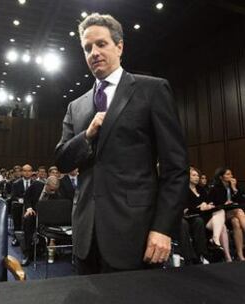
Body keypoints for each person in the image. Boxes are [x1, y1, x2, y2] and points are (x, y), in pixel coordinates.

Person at [55, 13, 188, 274]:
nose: (94, 52)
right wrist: (87, 135)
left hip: (135, 234)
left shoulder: (152, 90)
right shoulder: (76, 106)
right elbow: (62, 161)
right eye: (87, 48)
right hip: (85, 235)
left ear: (119, 46)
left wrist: (162, 228)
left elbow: (176, 168)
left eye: (101, 44)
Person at [21, 176, 62, 265]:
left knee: (55, 224)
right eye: (51, 190)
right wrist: (29, 208)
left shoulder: (56, 194)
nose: (53, 192)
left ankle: (49, 247)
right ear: (46, 185)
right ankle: (27, 253)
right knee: (28, 220)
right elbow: (26, 197)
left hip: (47, 216)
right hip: (33, 212)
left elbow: (55, 211)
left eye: (55, 190)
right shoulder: (36, 185)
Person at [208, 167, 244, 261]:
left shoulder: (233, 186)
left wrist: (234, 188)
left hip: (232, 213)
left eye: (231, 174)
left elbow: (241, 201)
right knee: (239, 212)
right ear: (221, 177)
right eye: (228, 174)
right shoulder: (215, 188)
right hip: (221, 215)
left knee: (236, 222)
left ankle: (240, 255)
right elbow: (214, 204)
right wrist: (225, 203)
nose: (231, 176)